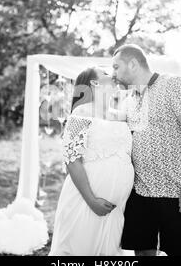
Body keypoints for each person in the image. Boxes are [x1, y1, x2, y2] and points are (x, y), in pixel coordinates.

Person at [112, 44, 181, 256]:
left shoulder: (173, 85)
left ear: (133, 64)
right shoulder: (129, 98)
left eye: (117, 67)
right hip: (139, 192)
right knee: (143, 253)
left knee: (178, 252)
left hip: (174, 192)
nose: (114, 73)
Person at [48, 67, 134, 256]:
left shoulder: (120, 114)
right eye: (105, 74)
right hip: (87, 200)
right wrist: (91, 200)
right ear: (94, 84)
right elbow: (72, 159)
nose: (112, 76)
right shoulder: (82, 112)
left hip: (118, 206)